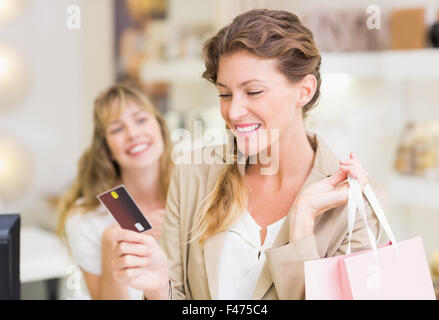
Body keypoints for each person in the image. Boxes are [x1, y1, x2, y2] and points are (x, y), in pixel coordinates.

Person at [111, 9, 381, 300]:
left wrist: (302, 220)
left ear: (304, 90)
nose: (234, 112)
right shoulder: (193, 174)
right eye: (225, 94)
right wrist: (157, 287)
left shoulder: (354, 207)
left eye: (253, 92)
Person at [57, 83, 173, 299]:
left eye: (141, 120)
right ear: (107, 149)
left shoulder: (193, 194)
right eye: (117, 129)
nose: (133, 134)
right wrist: (111, 240)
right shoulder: (87, 220)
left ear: (160, 127)